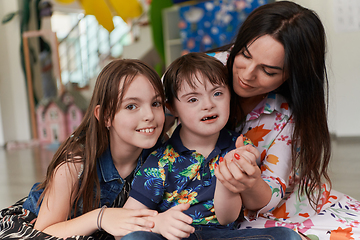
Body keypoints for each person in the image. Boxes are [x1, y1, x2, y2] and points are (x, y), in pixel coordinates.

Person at [207, 1, 360, 239]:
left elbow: (269, 196)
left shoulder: (285, 114)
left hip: (268, 208)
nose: (247, 75)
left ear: (292, 75)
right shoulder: (199, 73)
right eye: (244, 55)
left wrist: (248, 182)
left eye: (269, 71)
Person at [122, 53, 301, 240]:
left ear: (229, 96)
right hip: (173, 237)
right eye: (193, 99)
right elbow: (128, 219)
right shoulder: (160, 160)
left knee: (286, 236)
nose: (208, 105)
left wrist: (228, 177)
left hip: (223, 236)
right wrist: (159, 223)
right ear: (172, 108)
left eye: (217, 94)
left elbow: (227, 218)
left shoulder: (239, 147)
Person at [0, 59, 166, 239]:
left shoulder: (160, 152)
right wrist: (101, 217)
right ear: (105, 116)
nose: (149, 115)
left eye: (155, 103)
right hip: (44, 227)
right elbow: (45, 230)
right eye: (131, 106)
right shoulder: (74, 163)